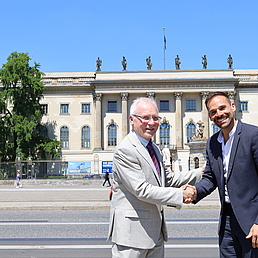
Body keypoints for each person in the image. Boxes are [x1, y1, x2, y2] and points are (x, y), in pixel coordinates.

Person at [108, 97, 203, 258]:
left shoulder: (153, 148)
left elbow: (169, 180)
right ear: (132, 120)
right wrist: (181, 195)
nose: (152, 123)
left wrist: (202, 171)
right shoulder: (125, 150)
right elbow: (142, 190)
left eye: (155, 118)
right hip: (131, 236)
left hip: (154, 233)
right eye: (145, 117)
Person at [189, 92, 258, 257]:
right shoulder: (212, 142)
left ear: (233, 107)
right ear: (210, 116)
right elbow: (210, 178)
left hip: (251, 219)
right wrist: (194, 191)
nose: (219, 114)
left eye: (222, 108)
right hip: (227, 220)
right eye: (213, 112)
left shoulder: (253, 135)